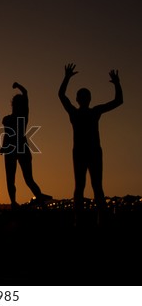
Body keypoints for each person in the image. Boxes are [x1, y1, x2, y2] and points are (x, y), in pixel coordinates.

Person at [58, 63, 123, 225]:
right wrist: (117, 83)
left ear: (79, 99)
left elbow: (61, 95)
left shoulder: (80, 112)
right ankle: (94, 219)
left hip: (84, 151)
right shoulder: (93, 112)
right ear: (87, 99)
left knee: (83, 186)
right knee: (93, 187)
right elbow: (118, 101)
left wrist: (66, 78)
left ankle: (81, 220)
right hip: (90, 151)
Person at [0, 82, 52, 210]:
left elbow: (26, 94)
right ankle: (15, 203)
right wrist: (3, 146)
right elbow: (7, 135)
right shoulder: (8, 118)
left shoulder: (21, 116)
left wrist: (19, 86)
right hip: (13, 149)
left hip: (19, 148)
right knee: (13, 179)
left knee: (26, 179)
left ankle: (40, 201)